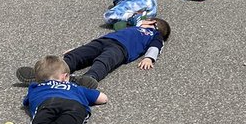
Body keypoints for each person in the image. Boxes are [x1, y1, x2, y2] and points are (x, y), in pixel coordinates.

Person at [16, 18, 171, 87]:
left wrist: (149, 58)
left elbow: (156, 47)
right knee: (77, 56)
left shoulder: (154, 35)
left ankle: (87, 79)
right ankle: (44, 74)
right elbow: (118, 25)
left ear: (153, 23)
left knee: (104, 61)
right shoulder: (133, 27)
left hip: (121, 49)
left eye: (148, 20)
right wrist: (78, 48)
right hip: (103, 41)